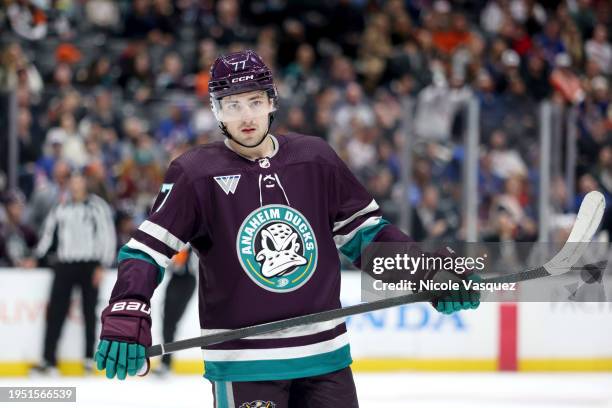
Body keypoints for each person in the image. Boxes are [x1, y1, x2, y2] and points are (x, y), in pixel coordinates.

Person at [95, 50, 480, 407]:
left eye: (255, 102)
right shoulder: (196, 174)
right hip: (246, 366)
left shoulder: (316, 159)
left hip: (325, 360)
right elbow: (146, 250)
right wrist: (128, 309)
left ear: (272, 102)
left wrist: (429, 273)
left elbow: (368, 237)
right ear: (217, 111)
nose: (246, 117)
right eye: (233, 105)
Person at [32, 173, 116, 375]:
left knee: (90, 312)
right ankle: (48, 359)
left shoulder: (97, 206)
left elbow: (107, 235)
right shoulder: (61, 206)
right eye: (73, 183)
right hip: (65, 264)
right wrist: (36, 257)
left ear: (85, 184)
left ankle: (89, 357)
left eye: (79, 182)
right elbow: (48, 234)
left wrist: (102, 265)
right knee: (56, 312)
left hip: (90, 264)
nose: (76, 187)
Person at [152, 245, 198, 376]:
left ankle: (166, 362)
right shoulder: (181, 242)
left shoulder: (190, 242)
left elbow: (179, 265)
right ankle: (166, 362)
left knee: (170, 323)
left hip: (185, 282)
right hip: (177, 281)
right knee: (168, 323)